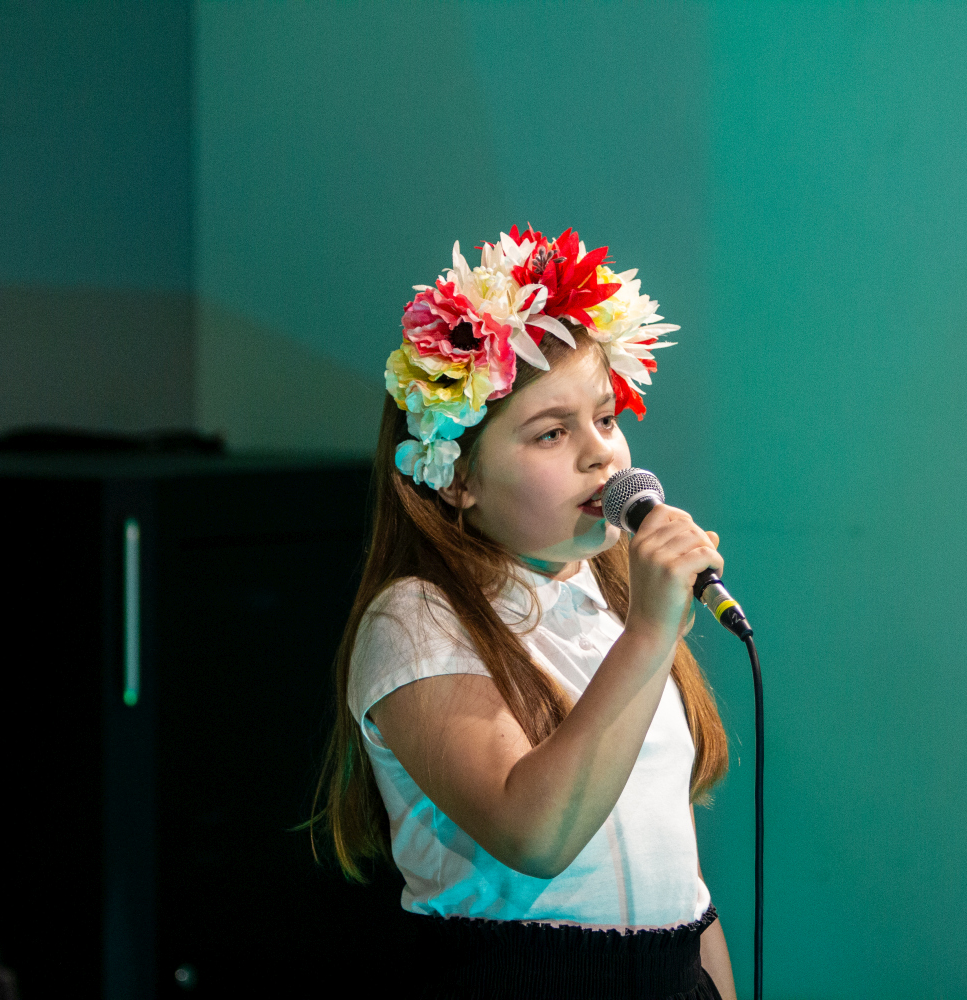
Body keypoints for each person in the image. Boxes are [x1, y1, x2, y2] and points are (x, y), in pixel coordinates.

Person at [316, 226, 738, 999]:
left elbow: (683, 890)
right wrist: (651, 635)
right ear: (456, 478)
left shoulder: (614, 598)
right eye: (551, 432)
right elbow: (535, 834)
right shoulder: (415, 619)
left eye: (606, 419)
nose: (601, 454)